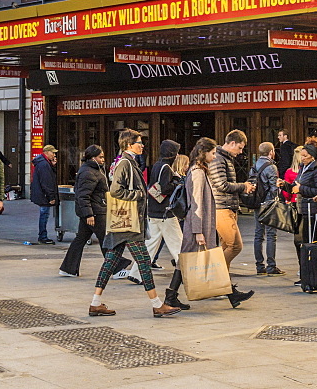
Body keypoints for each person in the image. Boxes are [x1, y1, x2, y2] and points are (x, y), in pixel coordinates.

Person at [88, 129, 180, 318]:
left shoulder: (127, 162)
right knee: (144, 262)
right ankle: (157, 305)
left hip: (123, 223)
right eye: (139, 142)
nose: (142, 145)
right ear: (129, 145)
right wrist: (139, 195)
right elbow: (115, 191)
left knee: (110, 262)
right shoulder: (125, 163)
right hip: (128, 222)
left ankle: (95, 303)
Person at [167, 137, 254, 309]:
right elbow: (196, 203)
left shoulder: (199, 170)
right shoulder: (197, 172)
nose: (214, 157)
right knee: (188, 260)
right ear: (203, 153)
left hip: (198, 224)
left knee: (188, 259)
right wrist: (198, 231)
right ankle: (170, 297)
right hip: (197, 224)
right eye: (212, 153)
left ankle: (230, 294)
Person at [126, 140, 188, 298]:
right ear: (172, 153)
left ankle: (136, 273)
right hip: (165, 213)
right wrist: (176, 182)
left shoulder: (157, 165)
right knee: (178, 245)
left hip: (153, 211)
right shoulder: (166, 168)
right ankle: (190, 275)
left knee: (151, 244)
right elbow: (164, 188)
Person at [59, 144, 130, 278]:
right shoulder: (88, 172)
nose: (103, 159)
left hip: (94, 210)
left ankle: (68, 269)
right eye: (100, 157)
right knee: (106, 240)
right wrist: (89, 214)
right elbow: (83, 195)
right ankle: (115, 269)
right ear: (92, 158)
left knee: (81, 239)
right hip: (95, 211)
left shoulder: (93, 170)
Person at [208, 129, 255, 272]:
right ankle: (216, 274)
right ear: (232, 143)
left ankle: (223, 283)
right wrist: (243, 186)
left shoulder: (223, 158)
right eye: (240, 148)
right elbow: (221, 185)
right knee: (235, 246)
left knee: (226, 246)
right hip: (221, 207)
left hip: (226, 206)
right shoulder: (219, 158)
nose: (241, 152)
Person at [282, 138, 317, 279]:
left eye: (305, 156)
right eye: (301, 155)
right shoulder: (303, 168)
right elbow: (296, 187)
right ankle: (304, 270)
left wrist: (301, 188)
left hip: (313, 209)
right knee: (299, 241)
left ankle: (311, 273)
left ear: (313, 156)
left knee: (309, 241)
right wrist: (284, 185)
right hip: (302, 208)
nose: (302, 159)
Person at [250, 141, 284, 276]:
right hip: (269, 204)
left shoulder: (254, 166)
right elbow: (274, 188)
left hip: (257, 203)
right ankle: (271, 266)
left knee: (258, 234)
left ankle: (259, 266)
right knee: (271, 235)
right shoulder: (271, 167)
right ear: (271, 152)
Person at [31, 144, 59, 244]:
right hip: (44, 195)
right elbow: (46, 182)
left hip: (41, 193)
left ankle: (42, 235)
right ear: (46, 153)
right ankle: (42, 236)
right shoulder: (44, 164)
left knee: (44, 214)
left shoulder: (44, 163)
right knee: (44, 214)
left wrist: (53, 166)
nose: (54, 155)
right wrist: (51, 196)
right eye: (53, 153)